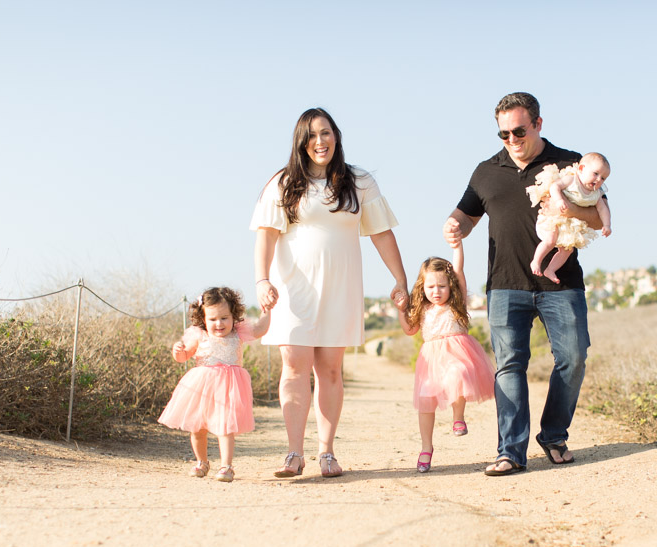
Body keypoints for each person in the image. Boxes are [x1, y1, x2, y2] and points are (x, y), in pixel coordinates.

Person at [442, 92, 609, 476]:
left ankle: (552, 434)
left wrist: (570, 208)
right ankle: (510, 452)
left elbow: (599, 218)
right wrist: (454, 225)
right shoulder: (486, 170)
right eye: (503, 133)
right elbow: (466, 215)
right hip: (504, 283)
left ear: (538, 124)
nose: (512, 139)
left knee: (574, 358)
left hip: (561, 283)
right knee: (509, 366)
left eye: (519, 130)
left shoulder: (573, 164)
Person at [250, 108, 408, 478]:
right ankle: (293, 453)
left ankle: (326, 453)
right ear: (301, 143)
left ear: (336, 135)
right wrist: (261, 280)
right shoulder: (283, 181)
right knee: (293, 367)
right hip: (292, 289)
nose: (319, 142)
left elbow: (382, 233)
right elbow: (266, 234)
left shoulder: (359, 180)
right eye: (311, 136)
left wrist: (399, 279)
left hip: (341, 287)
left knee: (331, 370)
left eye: (326, 133)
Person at [394, 240, 495, 473]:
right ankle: (426, 448)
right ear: (422, 287)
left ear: (450, 287)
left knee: (458, 374)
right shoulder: (422, 308)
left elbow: (458, 270)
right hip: (431, 359)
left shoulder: (456, 302)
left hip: (458, 351)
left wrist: (457, 245)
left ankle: (458, 417)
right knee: (426, 402)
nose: (436, 292)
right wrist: (401, 310)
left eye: (441, 286)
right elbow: (409, 329)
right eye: (430, 287)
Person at [158, 287, 271, 483]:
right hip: (202, 387)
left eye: (224, 318)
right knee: (197, 427)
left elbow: (261, 329)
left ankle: (226, 466)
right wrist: (178, 351)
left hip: (228, 388)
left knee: (225, 427)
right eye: (212, 319)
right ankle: (202, 462)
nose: (219, 323)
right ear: (203, 319)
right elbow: (184, 356)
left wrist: (268, 310)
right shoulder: (199, 335)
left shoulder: (238, 333)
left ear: (233, 316)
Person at [528, 152, 612, 283]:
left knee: (568, 249)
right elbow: (555, 186)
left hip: (568, 225)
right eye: (596, 174)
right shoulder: (572, 180)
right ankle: (536, 261)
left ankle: (550, 269)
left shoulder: (596, 194)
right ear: (582, 169)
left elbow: (603, 210)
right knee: (550, 240)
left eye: (603, 178)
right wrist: (559, 200)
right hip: (553, 218)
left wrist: (607, 225)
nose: (598, 180)